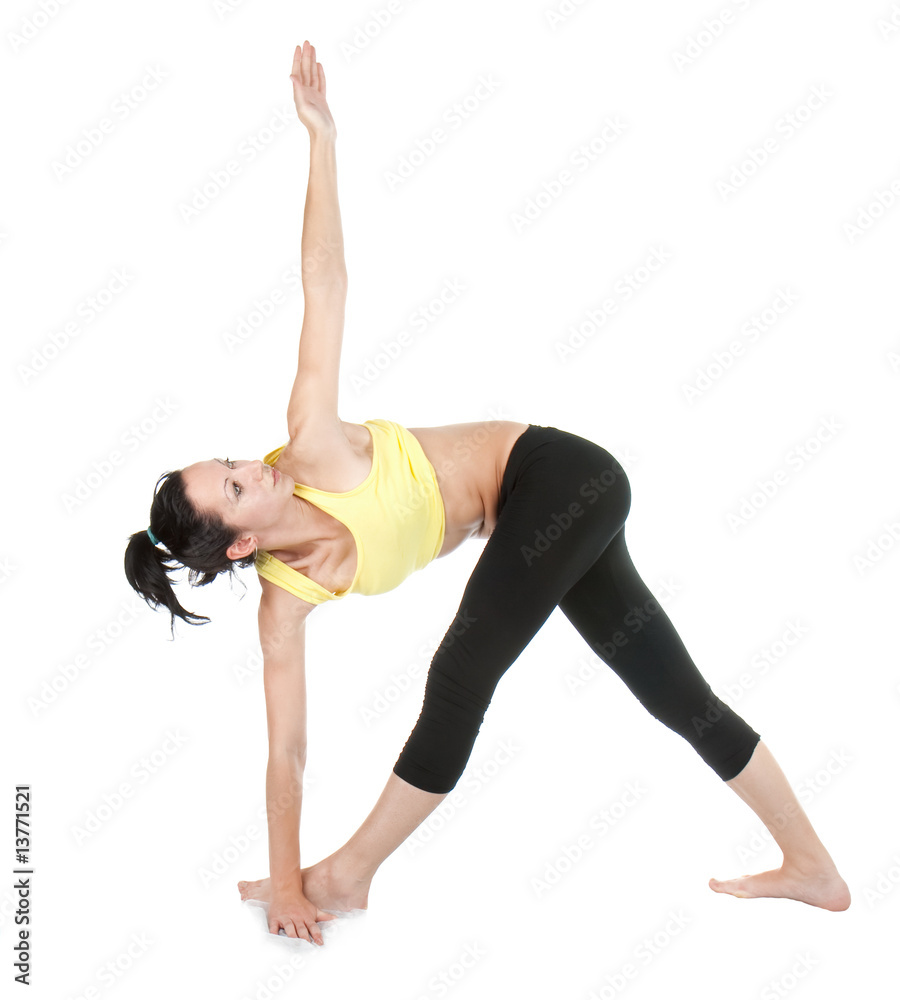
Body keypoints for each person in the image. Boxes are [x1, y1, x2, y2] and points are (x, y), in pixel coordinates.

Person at [123, 41, 850, 944]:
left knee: (461, 672)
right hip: (541, 528)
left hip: (561, 478)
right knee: (672, 692)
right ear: (238, 543)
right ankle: (813, 869)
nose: (254, 466)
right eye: (235, 485)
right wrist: (283, 884)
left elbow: (325, 283)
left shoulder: (309, 440)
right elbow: (286, 754)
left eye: (233, 460)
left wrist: (321, 140)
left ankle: (351, 875)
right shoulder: (284, 603)